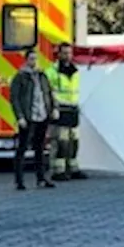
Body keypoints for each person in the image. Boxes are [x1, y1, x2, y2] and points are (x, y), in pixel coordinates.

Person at [9, 49, 58, 191]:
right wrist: (20, 117)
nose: (34, 61)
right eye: (31, 59)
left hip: (42, 116)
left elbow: (49, 92)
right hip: (28, 117)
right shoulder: (20, 77)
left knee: (40, 149)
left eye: (35, 59)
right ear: (26, 60)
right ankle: (19, 181)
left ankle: (41, 179)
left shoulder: (42, 75)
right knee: (22, 149)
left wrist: (54, 108)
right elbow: (15, 98)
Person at [46, 43, 84, 181]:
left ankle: (73, 168)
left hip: (73, 109)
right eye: (65, 53)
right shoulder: (51, 71)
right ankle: (58, 171)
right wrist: (52, 109)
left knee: (74, 141)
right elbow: (47, 92)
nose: (68, 56)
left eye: (69, 53)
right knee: (60, 142)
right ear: (59, 54)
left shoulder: (76, 71)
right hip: (59, 109)